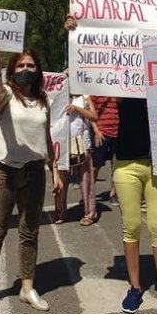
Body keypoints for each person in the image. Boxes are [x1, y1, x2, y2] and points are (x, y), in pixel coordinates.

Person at [64, 15, 157, 314]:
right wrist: (75, 35)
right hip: (125, 165)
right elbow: (86, 66)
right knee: (131, 228)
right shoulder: (114, 84)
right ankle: (135, 288)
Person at [0, 48, 63, 314]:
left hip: (34, 172)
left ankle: (27, 288)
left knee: (30, 231)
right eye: (21, 65)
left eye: (31, 65)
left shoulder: (43, 99)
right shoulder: (4, 94)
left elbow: (46, 136)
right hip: (1, 171)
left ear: (38, 70)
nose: (26, 69)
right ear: (12, 70)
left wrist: (55, 168)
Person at [55, 94, 97, 225]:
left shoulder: (85, 98)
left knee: (85, 180)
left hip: (82, 143)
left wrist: (77, 109)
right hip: (62, 142)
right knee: (61, 179)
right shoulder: (59, 95)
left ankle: (89, 213)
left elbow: (94, 116)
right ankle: (60, 212)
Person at [90, 96, 119, 205]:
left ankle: (113, 193)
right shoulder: (96, 90)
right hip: (101, 133)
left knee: (116, 165)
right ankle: (90, 194)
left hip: (117, 132)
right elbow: (91, 112)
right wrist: (96, 131)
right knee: (95, 166)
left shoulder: (118, 89)